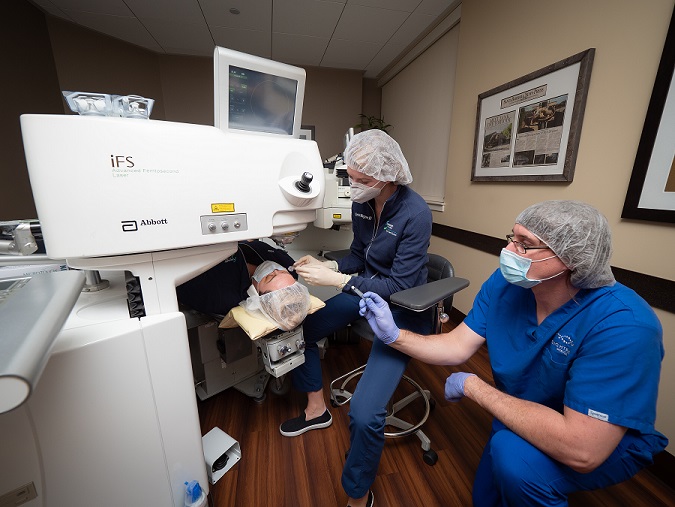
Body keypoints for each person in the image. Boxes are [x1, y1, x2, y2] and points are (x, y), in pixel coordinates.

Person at [357, 200, 668, 506]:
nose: (507, 252)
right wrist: (395, 336)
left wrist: (473, 386)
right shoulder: (507, 284)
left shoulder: (624, 325)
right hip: (521, 410)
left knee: (514, 462)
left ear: (571, 258)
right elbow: (456, 346)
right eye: (512, 238)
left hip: (600, 437)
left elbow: (582, 449)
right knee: (485, 496)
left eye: (525, 245)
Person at [282, 129, 433, 507]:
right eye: (350, 177)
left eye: (361, 180)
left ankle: (358, 494)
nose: (353, 186)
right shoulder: (363, 204)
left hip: (401, 309)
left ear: (386, 177)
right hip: (365, 292)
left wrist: (338, 280)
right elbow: (360, 256)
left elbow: (398, 284)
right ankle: (316, 410)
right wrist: (330, 264)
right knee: (305, 326)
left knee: (365, 414)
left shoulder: (416, 213)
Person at [177, 239, 310, 330]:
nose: (274, 269)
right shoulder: (288, 265)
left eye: (270, 277)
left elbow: (178, 281)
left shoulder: (219, 295)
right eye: (283, 272)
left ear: (256, 295)